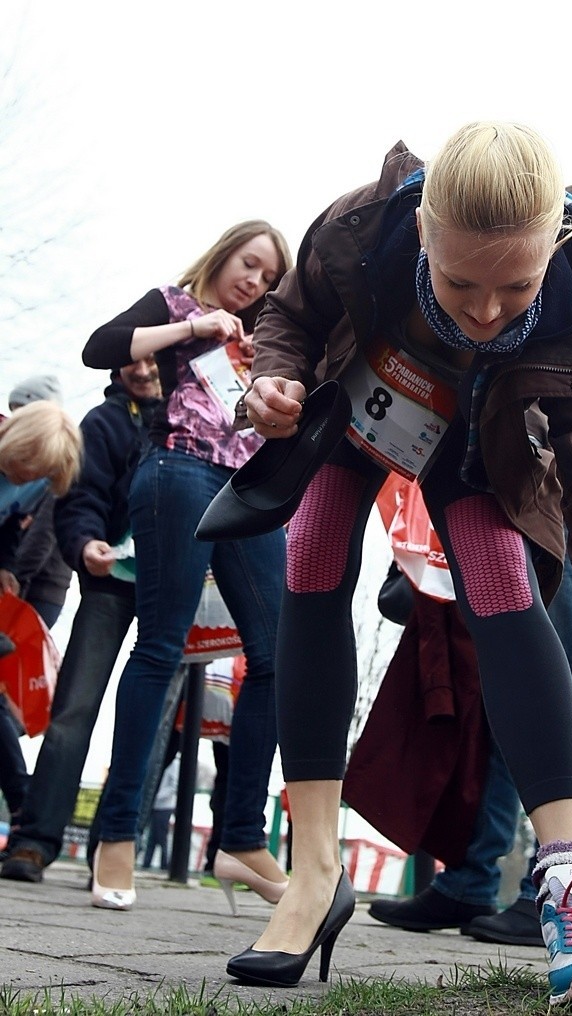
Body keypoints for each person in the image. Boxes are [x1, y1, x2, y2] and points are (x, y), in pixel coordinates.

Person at [237, 123, 572, 1008]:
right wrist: (274, 379)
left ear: (554, 247)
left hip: (475, 443)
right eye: (459, 281)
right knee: (314, 547)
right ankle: (315, 874)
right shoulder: (362, 228)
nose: (484, 311)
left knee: (505, 583)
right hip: (357, 397)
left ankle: (571, 886)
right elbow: (289, 314)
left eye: (515, 286)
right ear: (424, 232)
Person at [366, 183, 572, 946]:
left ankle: (567, 888)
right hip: (489, 492)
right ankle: (472, 877)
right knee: (504, 685)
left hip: (556, 497)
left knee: (566, 688)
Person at [80, 220, 292, 913]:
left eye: (267, 275)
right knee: (162, 645)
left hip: (248, 487)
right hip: (179, 469)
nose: (255, 280)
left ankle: (241, 837)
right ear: (225, 254)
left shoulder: (266, 338)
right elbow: (100, 348)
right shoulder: (175, 306)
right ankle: (116, 834)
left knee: (275, 656)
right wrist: (194, 329)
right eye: (249, 263)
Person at [1, 357, 162, 882]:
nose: (143, 367)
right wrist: (85, 543)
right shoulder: (103, 423)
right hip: (108, 577)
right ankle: (34, 838)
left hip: (177, 583)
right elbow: (81, 499)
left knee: (152, 720)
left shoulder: (192, 417)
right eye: (132, 356)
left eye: (154, 355)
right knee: (74, 706)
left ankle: (113, 847)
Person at [0, 401, 82, 829]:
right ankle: (22, 801)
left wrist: (6, 565)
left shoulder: (40, 480)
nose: (25, 480)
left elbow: (12, 524)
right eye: (23, 468)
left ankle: (22, 803)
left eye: (38, 475)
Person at [6, 375, 73, 630]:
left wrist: (15, 577)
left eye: (23, 415)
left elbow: (42, 534)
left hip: (40, 584)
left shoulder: (51, 467)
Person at [140, 754, 180, 870]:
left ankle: (164, 864)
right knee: (152, 837)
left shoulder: (174, 763)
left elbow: (174, 786)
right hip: (158, 805)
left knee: (161, 837)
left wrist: (157, 796)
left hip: (164, 806)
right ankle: (147, 863)